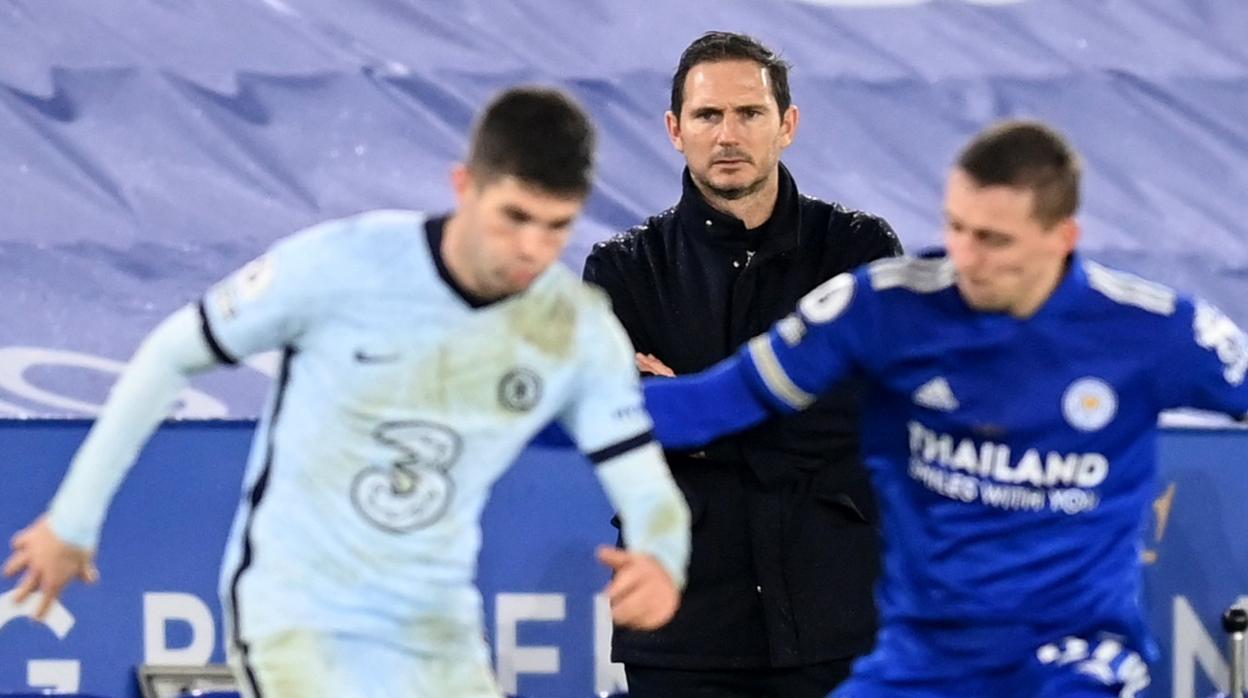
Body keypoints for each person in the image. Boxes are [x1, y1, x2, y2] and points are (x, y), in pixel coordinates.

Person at [2, 86, 691, 698]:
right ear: (463, 186)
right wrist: (73, 521)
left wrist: (663, 558)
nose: (532, 250)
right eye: (514, 217)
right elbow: (169, 356)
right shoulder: (343, 264)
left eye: (557, 227)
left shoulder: (573, 329)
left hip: (434, 622)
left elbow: (643, 480)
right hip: (296, 610)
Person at [642, 119, 1248, 697]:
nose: (966, 257)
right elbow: (717, 402)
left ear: (1063, 238)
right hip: (922, 658)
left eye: (994, 239)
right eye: (956, 227)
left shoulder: (1153, 330)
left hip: (1073, 655)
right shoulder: (884, 308)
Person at [583, 31, 901, 698]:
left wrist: (694, 412)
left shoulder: (859, 251)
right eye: (707, 115)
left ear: (787, 124)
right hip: (684, 631)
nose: (728, 134)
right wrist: (792, 404)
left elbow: (864, 414)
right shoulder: (622, 269)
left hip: (839, 622)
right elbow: (621, 428)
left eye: (749, 113)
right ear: (675, 129)